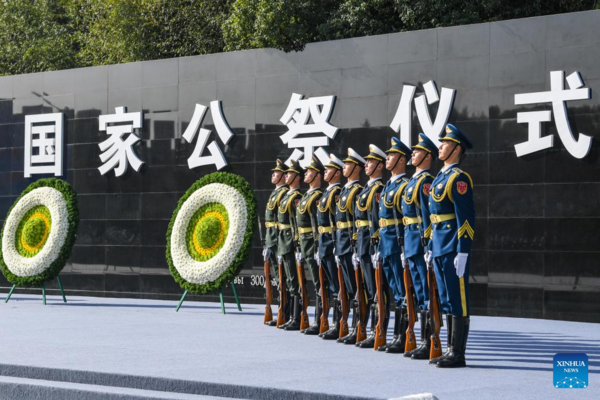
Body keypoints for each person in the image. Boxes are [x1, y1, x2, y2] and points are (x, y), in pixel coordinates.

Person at [427, 124, 475, 368]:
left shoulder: (459, 179)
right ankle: (448, 349)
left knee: (458, 299)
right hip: (438, 246)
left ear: (456, 149)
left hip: (452, 247)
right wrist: (429, 246)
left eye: (445, 143)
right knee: (446, 299)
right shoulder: (440, 178)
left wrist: (463, 250)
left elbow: (465, 219)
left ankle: (458, 353)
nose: (440, 147)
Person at [401, 133, 437, 359]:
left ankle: (430, 341)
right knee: (416, 290)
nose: (412, 154)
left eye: (417, 151)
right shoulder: (412, 182)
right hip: (409, 239)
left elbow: (427, 215)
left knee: (426, 292)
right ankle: (421, 340)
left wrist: (428, 245)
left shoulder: (425, 182)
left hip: (420, 241)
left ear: (427, 156)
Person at [376, 137, 412, 353]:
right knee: (395, 289)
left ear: (401, 160)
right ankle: (398, 335)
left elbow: (404, 219)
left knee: (403, 289)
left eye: (391, 155)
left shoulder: (403, 185)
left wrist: (403, 247)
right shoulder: (389, 185)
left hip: (397, 244)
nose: (387, 158)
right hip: (386, 242)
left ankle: (405, 336)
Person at [353, 145, 386, 348]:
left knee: (376, 291)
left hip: (371, 244)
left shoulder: (377, 189)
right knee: (365, 288)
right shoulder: (366, 189)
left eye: (371, 162)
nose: (367, 165)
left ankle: (378, 331)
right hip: (362, 244)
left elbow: (374, 220)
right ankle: (368, 329)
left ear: (379, 165)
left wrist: (375, 246)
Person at [334, 148, 365, 343]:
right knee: (346, 288)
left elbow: (355, 221)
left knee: (357, 288)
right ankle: (350, 326)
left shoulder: (356, 191)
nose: (344, 167)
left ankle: (358, 327)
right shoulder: (345, 191)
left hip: (351, 244)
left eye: (347, 164)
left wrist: (354, 245)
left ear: (356, 168)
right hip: (341, 243)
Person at [295, 155, 324, 335]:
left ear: (317, 175)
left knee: (319, 283)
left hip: (312, 245)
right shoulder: (307, 195)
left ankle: (320, 319)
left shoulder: (317, 196)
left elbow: (315, 225)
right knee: (311, 282)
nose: (306, 174)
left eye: (310, 171)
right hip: (304, 244)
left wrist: (316, 247)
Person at [317, 154, 344, 340]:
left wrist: (335, 244)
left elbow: (336, 221)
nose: (325, 171)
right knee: (332, 285)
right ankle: (334, 322)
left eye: (329, 169)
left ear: (337, 172)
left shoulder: (335, 193)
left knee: (339, 284)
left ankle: (339, 323)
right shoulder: (327, 193)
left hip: (332, 241)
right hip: (323, 242)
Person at [276, 159, 304, 331]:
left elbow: (295, 223)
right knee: (287, 279)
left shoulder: (296, 197)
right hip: (282, 240)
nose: (286, 176)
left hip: (290, 241)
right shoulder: (287, 196)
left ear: (297, 177)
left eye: (290, 174)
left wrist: (296, 244)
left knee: (294, 279)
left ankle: (297, 316)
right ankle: (289, 315)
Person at [263, 159, 290, 326]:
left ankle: (285, 312)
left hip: (279, 240)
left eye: (277, 172)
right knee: (277, 278)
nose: (273, 174)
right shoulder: (275, 193)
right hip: (271, 239)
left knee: (283, 278)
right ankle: (282, 310)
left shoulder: (284, 194)